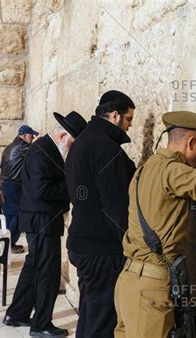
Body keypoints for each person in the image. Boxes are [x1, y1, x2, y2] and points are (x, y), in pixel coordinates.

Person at [114, 111, 196, 338]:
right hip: (151, 287)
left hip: (129, 280)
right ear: (191, 142)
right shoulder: (174, 171)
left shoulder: (145, 168)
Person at [3, 111, 87, 337]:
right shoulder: (42, 152)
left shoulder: (43, 148)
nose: (71, 149)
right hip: (41, 219)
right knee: (47, 272)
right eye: (72, 143)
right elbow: (42, 191)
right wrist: (71, 186)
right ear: (62, 137)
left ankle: (16, 313)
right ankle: (41, 325)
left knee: (33, 266)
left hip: (38, 218)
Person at [65, 90, 136, 338]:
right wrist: (132, 245)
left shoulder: (83, 141)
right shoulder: (106, 148)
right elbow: (115, 206)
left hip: (84, 244)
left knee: (90, 314)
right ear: (115, 115)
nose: (128, 127)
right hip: (101, 249)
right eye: (128, 120)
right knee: (102, 320)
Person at [0, 124, 40, 254]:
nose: (33, 138)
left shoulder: (8, 147)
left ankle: (6, 242)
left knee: (10, 214)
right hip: (15, 185)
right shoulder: (23, 146)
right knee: (19, 214)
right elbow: (38, 152)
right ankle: (9, 243)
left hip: (6, 184)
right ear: (24, 136)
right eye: (31, 135)